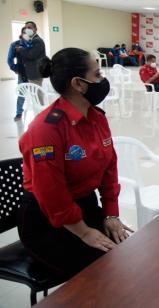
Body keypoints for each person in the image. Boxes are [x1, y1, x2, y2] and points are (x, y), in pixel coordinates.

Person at [17, 47, 132, 280]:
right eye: (97, 75)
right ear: (78, 84)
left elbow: (109, 167)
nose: (103, 80)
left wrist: (111, 214)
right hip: (47, 221)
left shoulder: (96, 117)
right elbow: (50, 193)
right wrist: (84, 232)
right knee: (102, 273)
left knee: (128, 256)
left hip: (84, 206)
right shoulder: (46, 130)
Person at [7, 27, 32, 121]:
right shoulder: (15, 45)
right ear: (22, 34)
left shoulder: (33, 43)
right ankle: (19, 113)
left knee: (36, 93)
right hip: (22, 72)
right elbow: (9, 59)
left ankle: (38, 112)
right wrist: (15, 68)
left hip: (34, 73)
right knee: (22, 93)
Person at [15, 21, 46, 91]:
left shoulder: (37, 40)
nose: (27, 29)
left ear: (35, 29)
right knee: (34, 92)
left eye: (29, 27)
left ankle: (39, 102)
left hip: (35, 72)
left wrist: (21, 49)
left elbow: (31, 55)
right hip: (32, 71)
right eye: (25, 28)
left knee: (37, 93)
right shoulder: (31, 40)